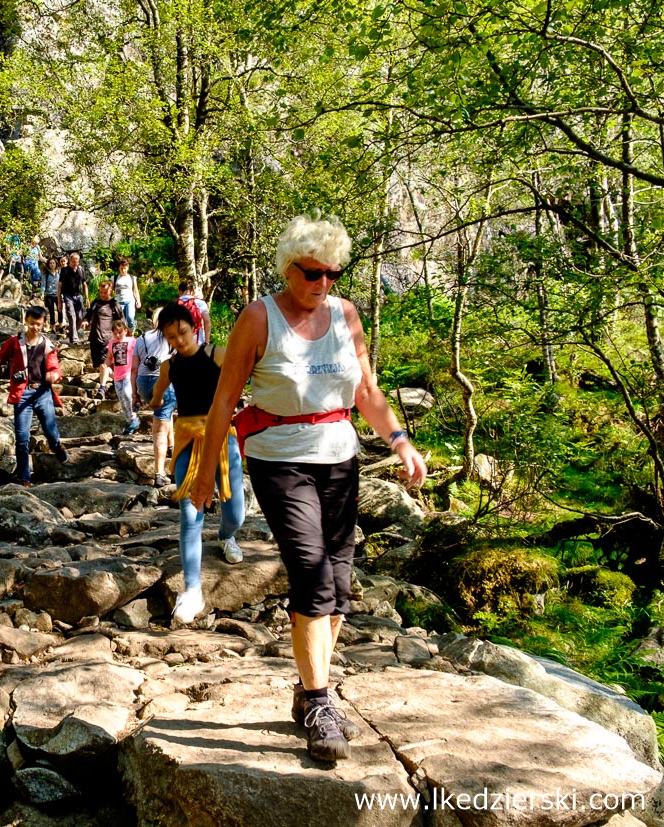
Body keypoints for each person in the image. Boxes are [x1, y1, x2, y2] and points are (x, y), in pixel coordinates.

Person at [185, 211, 427, 763]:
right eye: (313, 273)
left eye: (333, 274)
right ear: (288, 268)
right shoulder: (257, 318)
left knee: (338, 587)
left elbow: (366, 391)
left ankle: (306, 686)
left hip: (340, 457)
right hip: (278, 459)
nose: (324, 284)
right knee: (313, 575)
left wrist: (399, 440)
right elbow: (224, 400)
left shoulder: (347, 316)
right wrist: (205, 475)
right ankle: (321, 702)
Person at [149, 301, 245, 624]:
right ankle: (192, 589)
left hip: (223, 438)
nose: (178, 341)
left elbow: (242, 376)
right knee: (190, 513)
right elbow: (156, 394)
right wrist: (155, 399)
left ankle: (226, 534)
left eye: (183, 332)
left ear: (195, 328)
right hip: (188, 440)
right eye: (171, 337)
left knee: (236, 511)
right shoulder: (169, 366)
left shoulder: (216, 354)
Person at [0, 306, 69, 485]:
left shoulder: (47, 345)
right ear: (26, 321)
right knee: (22, 438)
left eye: (39, 324)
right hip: (22, 394)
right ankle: (24, 477)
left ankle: (57, 446)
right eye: (32, 323)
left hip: (42, 393)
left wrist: (54, 375)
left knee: (50, 432)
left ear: (43, 324)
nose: (35, 327)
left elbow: (55, 367)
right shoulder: (15, 342)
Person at [131, 307, 176, 486]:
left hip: (143, 382)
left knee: (166, 413)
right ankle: (159, 473)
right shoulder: (170, 337)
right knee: (159, 428)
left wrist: (134, 394)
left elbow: (133, 368)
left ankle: (172, 447)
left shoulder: (140, 338)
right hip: (163, 383)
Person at [84, 279, 120, 396]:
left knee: (104, 364)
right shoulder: (96, 302)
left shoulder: (114, 304)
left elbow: (120, 322)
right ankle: (118, 380)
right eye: (101, 292)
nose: (103, 295)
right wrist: (85, 321)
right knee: (101, 365)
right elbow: (88, 316)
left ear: (111, 291)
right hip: (95, 338)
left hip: (108, 339)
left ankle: (102, 388)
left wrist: (119, 337)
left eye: (106, 292)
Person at [105, 319, 138, 436]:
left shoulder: (132, 341)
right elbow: (109, 357)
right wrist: (106, 365)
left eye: (120, 332)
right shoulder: (112, 343)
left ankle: (134, 415)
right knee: (122, 400)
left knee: (127, 393)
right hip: (117, 375)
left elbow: (138, 354)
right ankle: (131, 422)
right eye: (115, 333)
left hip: (129, 373)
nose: (118, 335)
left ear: (125, 330)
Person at [60, 252, 87, 344]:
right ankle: (74, 339)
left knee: (79, 317)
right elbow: (59, 285)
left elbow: (84, 284)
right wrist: (59, 300)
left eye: (77, 262)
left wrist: (87, 298)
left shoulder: (80, 270)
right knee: (72, 316)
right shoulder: (64, 270)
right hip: (68, 295)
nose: (76, 264)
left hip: (78, 295)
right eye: (74, 262)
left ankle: (71, 332)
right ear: (70, 261)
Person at [178, 278, 211, 345]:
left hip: (179, 343)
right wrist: (207, 341)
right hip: (197, 342)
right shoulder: (200, 303)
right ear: (192, 292)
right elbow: (207, 322)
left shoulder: (173, 304)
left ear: (179, 292)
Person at [113, 257, 141, 329]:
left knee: (130, 318)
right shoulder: (114, 278)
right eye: (121, 268)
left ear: (127, 268)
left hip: (130, 301)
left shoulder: (132, 278)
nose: (123, 270)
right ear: (119, 268)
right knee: (121, 321)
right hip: (118, 302)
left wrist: (138, 300)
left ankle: (131, 333)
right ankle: (123, 336)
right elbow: (110, 290)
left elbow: (135, 290)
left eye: (125, 268)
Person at [42, 256, 62, 329]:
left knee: (60, 310)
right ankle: (53, 327)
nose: (52, 264)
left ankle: (60, 326)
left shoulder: (59, 273)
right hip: (49, 295)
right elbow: (43, 284)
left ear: (56, 264)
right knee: (51, 312)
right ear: (48, 264)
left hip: (58, 295)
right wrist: (42, 293)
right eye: (50, 263)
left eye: (53, 263)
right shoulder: (46, 274)